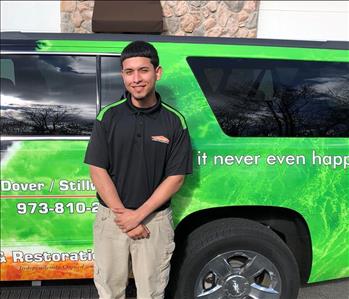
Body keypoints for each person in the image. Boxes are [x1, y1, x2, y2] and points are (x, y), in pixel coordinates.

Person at [84, 41, 192, 299]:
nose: (136, 79)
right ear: (122, 75)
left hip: (154, 220)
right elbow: (97, 170)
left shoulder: (174, 121)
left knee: (151, 293)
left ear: (157, 72)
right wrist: (125, 216)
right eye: (129, 72)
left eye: (143, 70)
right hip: (112, 219)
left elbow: (175, 178)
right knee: (110, 292)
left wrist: (139, 216)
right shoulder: (107, 117)